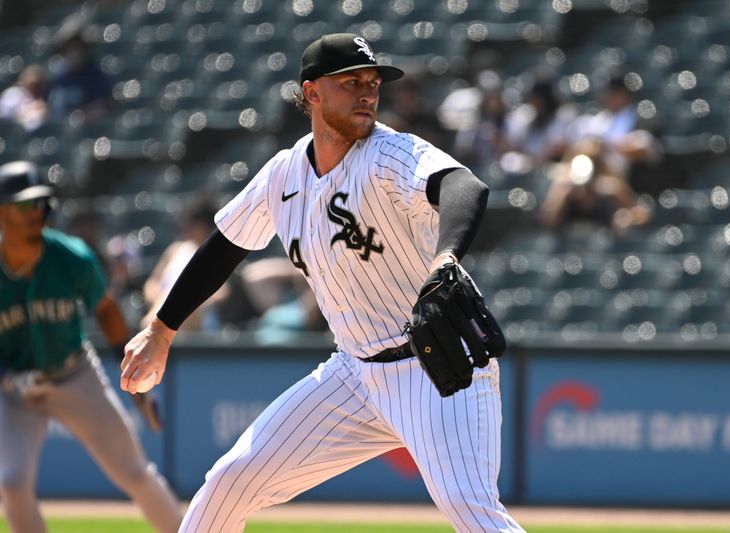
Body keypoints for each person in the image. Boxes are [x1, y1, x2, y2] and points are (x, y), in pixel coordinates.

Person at [120, 33, 524, 533]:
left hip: (437, 370)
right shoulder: (284, 174)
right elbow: (223, 247)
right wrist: (161, 331)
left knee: (472, 511)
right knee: (229, 483)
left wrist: (445, 258)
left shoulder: (388, 154)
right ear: (311, 93)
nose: (367, 93)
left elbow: (464, 186)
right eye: (350, 82)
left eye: (373, 83)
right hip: (354, 374)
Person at [0, 161, 182, 533]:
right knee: (12, 483)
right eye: (23, 205)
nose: (36, 213)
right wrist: (6, 379)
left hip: (74, 374)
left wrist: (133, 378)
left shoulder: (70, 257)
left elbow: (107, 310)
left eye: (41, 204)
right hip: (14, 387)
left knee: (134, 472)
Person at [140, 198, 227, 331]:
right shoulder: (175, 249)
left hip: (198, 317)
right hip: (163, 306)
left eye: (192, 223)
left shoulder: (219, 253)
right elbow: (153, 282)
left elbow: (222, 292)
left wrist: (188, 302)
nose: (186, 226)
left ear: (204, 225)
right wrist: (161, 300)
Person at [46, 13, 112, 121]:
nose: (74, 53)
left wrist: (80, 116)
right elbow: (49, 108)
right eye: (70, 48)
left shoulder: (96, 76)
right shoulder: (58, 78)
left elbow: (102, 107)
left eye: (78, 48)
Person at [0, 65, 48, 132]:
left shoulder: (42, 100)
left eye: (38, 85)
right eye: (33, 84)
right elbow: (4, 114)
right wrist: (22, 113)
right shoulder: (13, 94)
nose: (35, 88)